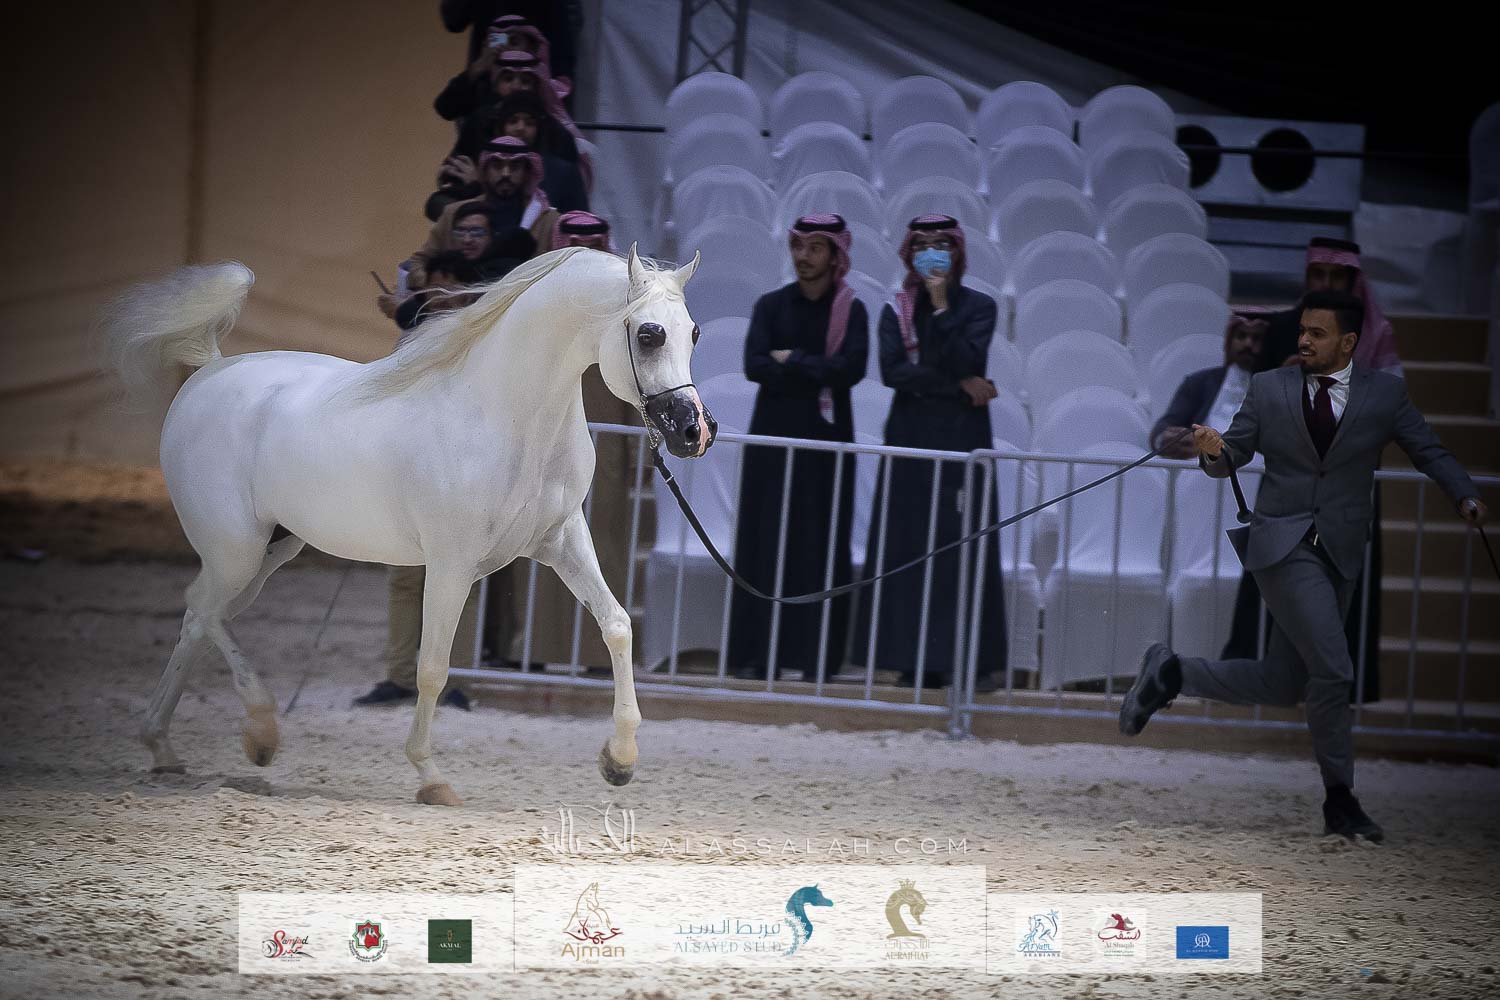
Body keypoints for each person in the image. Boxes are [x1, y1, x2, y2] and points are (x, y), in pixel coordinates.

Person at [1119, 290, 1487, 842]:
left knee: (1282, 680)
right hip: (1281, 545)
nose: (1304, 341)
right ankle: (1341, 800)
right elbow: (1231, 457)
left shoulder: (1385, 394)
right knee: (1334, 670)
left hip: (1340, 549)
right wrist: (1214, 449)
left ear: (1349, 341)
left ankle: (1172, 673)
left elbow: (1428, 449)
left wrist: (1464, 494)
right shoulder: (1270, 387)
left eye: (1317, 333)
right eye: (1302, 331)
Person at [850, 215, 1008, 690]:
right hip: (911, 435)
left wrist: (940, 308)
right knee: (908, 543)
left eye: (942, 244)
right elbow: (895, 373)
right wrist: (960, 385)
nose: (931, 253)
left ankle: (970, 662)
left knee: (964, 540)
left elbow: (968, 357)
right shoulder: (895, 310)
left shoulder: (980, 307)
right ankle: (912, 660)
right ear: (909, 254)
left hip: (963, 435)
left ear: (957, 252)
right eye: (921, 245)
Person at [726, 214, 870, 681]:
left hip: (825, 446)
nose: (804, 257)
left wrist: (793, 360)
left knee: (819, 546)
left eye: (815, 248)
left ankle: (816, 661)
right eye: (798, 247)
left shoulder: (852, 311)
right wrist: (815, 366)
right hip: (772, 442)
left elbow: (849, 370)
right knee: (764, 541)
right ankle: (756, 657)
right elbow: (755, 365)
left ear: (835, 255)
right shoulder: (770, 306)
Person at [496, 213, 638, 672]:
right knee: (534, 543)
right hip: (538, 442)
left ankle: (599, 658)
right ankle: (532, 651)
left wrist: (637, 454)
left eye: (592, 247)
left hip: (606, 446)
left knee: (603, 546)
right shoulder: (535, 304)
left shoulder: (623, 305)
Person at [412, 136, 557, 289]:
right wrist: (440, 286)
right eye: (497, 165)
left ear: (527, 172)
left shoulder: (548, 220)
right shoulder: (453, 212)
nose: (505, 173)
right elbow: (417, 264)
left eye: (515, 166)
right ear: (485, 171)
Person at [1260, 237, 1402, 375]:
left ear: (1352, 281)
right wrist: (1281, 378)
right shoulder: (1280, 327)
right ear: (1308, 278)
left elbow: (1389, 387)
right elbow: (1258, 387)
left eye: (1337, 276)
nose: (1326, 284)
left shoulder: (1378, 333)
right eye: (1318, 275)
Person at [436, 89, 588, 218]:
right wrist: (474, 188)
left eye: (529, 123)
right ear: (501, 127)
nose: (520, 128)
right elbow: (437, 206)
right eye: (513, 121)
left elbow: (580, 218)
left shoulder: (563, 172)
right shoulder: (480, 165)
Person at [1152, 314, 1268, 458]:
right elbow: (1166, 425)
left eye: (1256, 339)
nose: (1248, 344)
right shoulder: (1199, 382)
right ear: (1230, 342)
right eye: (1241, 336)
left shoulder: (1278, 388)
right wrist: (1165, 439)